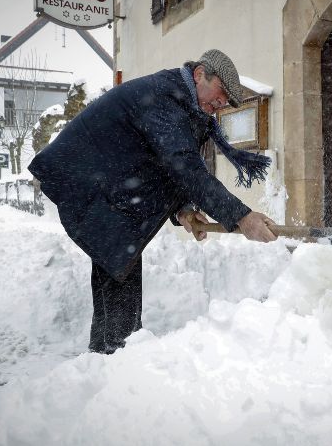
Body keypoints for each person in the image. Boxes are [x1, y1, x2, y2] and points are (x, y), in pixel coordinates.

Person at [28, 49, 278, 354]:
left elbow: (166, 165)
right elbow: (184, 166)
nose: (222, 103)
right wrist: (242, 216)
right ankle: (120, 358)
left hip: (109, 188)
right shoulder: (164, 98)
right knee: (120, 264)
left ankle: (106, 357)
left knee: (115, 264)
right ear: (200, 74)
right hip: (92, 183)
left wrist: (185, 210)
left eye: (226, 100)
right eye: (222, 92)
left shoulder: (181, 103)